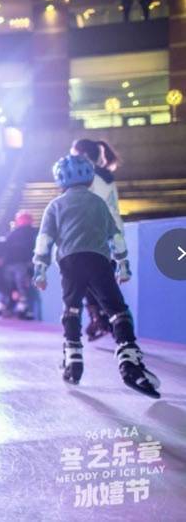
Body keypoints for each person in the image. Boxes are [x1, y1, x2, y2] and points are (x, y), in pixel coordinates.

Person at [32, 155, 160, 398]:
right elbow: (116, 237)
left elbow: (44, 240)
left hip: (69, 262)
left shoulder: (55, 206)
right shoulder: (99, 203)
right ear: (90, 180)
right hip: (98, 260)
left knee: (71, 309)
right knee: (116, 310)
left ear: (60, 182)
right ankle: (129, 361)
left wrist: (40, 269)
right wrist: (123, 265)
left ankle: (73, 358)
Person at [71, 139, 124, 340]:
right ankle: (107, 319)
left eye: (73, 152)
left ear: (82, 154)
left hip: (92, 233)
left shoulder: (86, 176)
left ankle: (100, 319)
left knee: (86, 280)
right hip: (111, 232)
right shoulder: (107, 175)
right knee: (102, 280)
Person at [3, 210, 38, 320]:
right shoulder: (33, 233)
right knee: (22, 287)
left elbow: (5, 248)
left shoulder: (11, 234)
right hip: (23, 264)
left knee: (10, 287)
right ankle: (22, 309)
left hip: (8, 265)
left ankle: (5, 307)